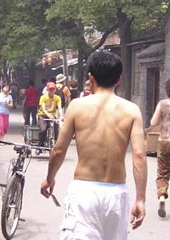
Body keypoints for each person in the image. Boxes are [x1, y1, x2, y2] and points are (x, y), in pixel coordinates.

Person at [40, 51, 147, 240]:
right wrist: (140, 199)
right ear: (119, 79)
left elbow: (59, 150)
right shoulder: (132, 111)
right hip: (117, 195)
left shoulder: (77, 106)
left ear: (91, 77)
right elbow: (139, 155)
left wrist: (50, 178)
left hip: (84, 192)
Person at [150, 78, 170, 218]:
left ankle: (162, 196)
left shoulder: (162, 104)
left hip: (164, 141)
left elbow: (153, 122)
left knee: (162, 173)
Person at [36, 82, 63, 155]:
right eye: (50, 89)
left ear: (55, 90)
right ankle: (39, 147)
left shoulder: (57, 98)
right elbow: (43, 109)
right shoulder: (43, 97)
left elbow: (60, 108)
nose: (51, 91)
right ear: (47, 90)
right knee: (43, 129)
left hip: (52, 117)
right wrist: (48, 115)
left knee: (56, 129)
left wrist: (61, 116)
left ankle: (57, 146)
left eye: (53, 89)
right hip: (43, 116)